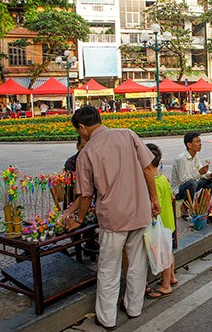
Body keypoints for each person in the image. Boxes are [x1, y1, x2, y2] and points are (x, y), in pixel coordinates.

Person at [69, 105, 160, 329]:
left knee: (109, 268)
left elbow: (86, 194)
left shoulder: (86, 153)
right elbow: (149, 169)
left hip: (113, 218)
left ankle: (107, 318)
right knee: (138, 264)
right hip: (139, 211)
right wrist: (154, 199)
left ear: (82, 128)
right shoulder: (127, 134)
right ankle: (134, 308)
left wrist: (78, 219)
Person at [145, 143, 178, 299]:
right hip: (169, 222)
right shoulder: (163, 179)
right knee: (168, 251)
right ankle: (171, 276)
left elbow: (153, 205)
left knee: (163, 255)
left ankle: (166, 285)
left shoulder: (154, 183)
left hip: (160, 224)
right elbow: (172, 197)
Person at [171, 132, 212, 218]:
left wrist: (211, 174)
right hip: (179, 190)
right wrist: (199, 173)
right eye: (197, 142)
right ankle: (185, 209)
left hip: (191, 184)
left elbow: (202, 171)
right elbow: (183, 180)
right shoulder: (181, 159)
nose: (200, 144)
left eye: (200, 141)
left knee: (209, 180)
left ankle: (201, 206)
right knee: (192, 183)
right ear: (189, 145)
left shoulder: (195, 157)